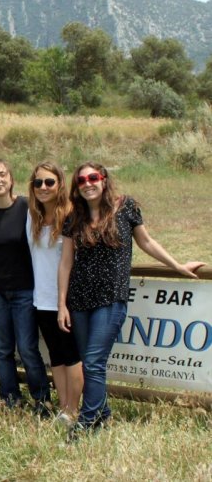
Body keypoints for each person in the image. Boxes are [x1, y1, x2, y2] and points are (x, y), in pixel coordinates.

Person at [57, 162, 205, 438]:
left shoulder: (126, 208)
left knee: (93, 362)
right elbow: (65, 263)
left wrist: (178, 266)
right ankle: (102, 414)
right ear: (77, 187)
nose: (88, 183)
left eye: (93, 178)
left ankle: (87, 423)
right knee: (90, 362)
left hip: (111, 298)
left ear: (104, 179)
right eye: (81, 180)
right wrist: (62, 304)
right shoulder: (73, 217)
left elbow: (147, 242)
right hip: (78, 300)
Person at [0, 160, 50, 414]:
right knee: (3, 349)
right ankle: (10, 400)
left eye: (2, 175)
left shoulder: (27, 207)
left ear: (11, 179)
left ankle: (42, 401)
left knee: (28, 348)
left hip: (24, 289)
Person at [26, 161, 83, 424]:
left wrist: (65, 302)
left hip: (67, 301)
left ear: (60, 183)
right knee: (56, 357)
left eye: (49, 182)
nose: (43, 187)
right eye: (38, 183)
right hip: (42, 299)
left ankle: (74, 409)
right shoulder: (33, 216)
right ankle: (63, 407)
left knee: (72, 356)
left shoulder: (72, 215)